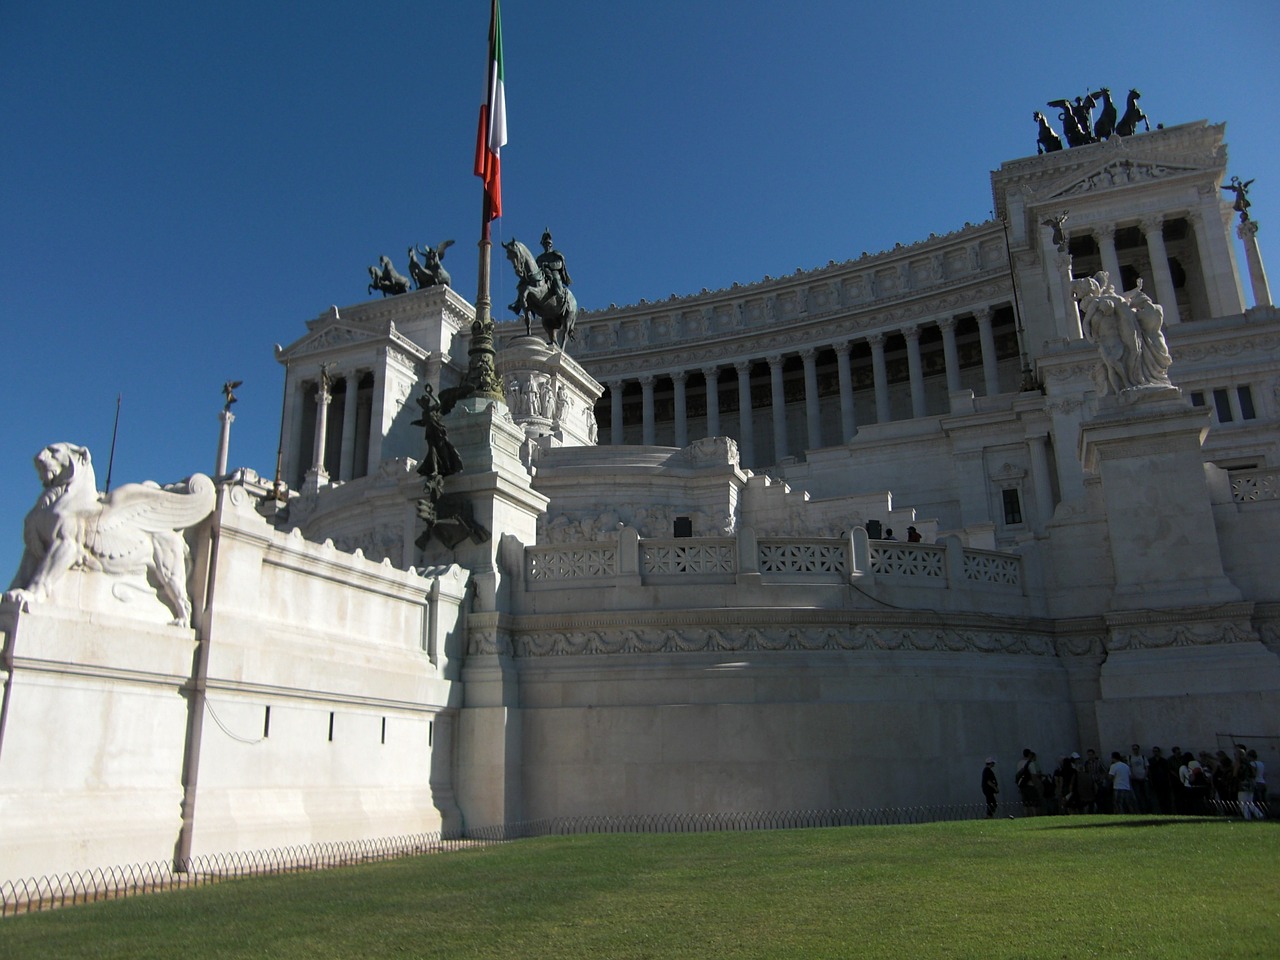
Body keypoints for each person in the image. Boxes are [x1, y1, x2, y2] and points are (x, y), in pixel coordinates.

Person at [1016, 749, 1042, 816]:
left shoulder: (1019, 763)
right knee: (1033, 803)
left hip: (1022, 786)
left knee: (1026, 804)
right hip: (1030, 785)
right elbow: (1033, 775)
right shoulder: (1031, 763)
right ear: (1029, 754)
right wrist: (1036, 785)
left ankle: (1026, 817)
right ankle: (1034, 816)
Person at [1128, 744, 1150, 813]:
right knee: (1138, 796)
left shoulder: (1143, 757)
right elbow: (1129, 768)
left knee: (1147, 796)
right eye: (1134, 749)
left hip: (1144, 779)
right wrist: (1134, 776)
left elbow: (1147, 767)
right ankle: (1140, 811)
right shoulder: (1130, 758)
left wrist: (1144, 776)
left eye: (1136, 749)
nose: (1135, 750)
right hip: (1135, 779)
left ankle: (1148, 810)